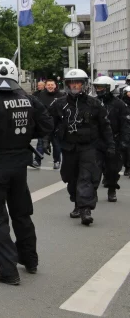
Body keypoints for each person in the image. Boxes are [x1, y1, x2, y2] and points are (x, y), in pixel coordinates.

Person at [0, 57, 52, 286]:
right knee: (21, 214)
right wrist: (24, 134)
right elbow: (46, 126)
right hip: (19, 167)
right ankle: (30, 260)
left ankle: (8, 271)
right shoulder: (29, 100)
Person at [48, 69, 114, 226]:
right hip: (68, 147)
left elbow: (105, 126)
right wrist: (45, 141)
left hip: (89, 147)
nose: (74, 85)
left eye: (77, 82)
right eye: (71, 83)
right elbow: (49, 123)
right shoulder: (59, 104)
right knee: (71, 177)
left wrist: (110, 145)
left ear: (84, 85)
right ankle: (77, 203)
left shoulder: (95, 104)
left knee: (87, 177)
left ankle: (86, 209)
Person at [92, 76, 130, 203]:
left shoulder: (120, 104)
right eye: (97, 87)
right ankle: (91, 193)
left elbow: (125, 124)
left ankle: (112, 188)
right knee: (95, 168)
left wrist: (125, 141)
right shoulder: (93, 102)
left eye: (101, 87)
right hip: (97, 141)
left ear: (109, 88)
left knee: (113, 169)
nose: (99, 90)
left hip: (115, 141)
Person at [34, 79, 65, 169]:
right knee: (40, 143)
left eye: (52, 84)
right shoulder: (41, 95)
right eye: (48, 85)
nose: (50, 86)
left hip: (56, 124)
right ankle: (37, 160)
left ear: (55, 86)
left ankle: (57, 161)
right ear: (46, 86)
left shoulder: (61, 95)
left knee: (56, 144)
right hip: (43, 124)